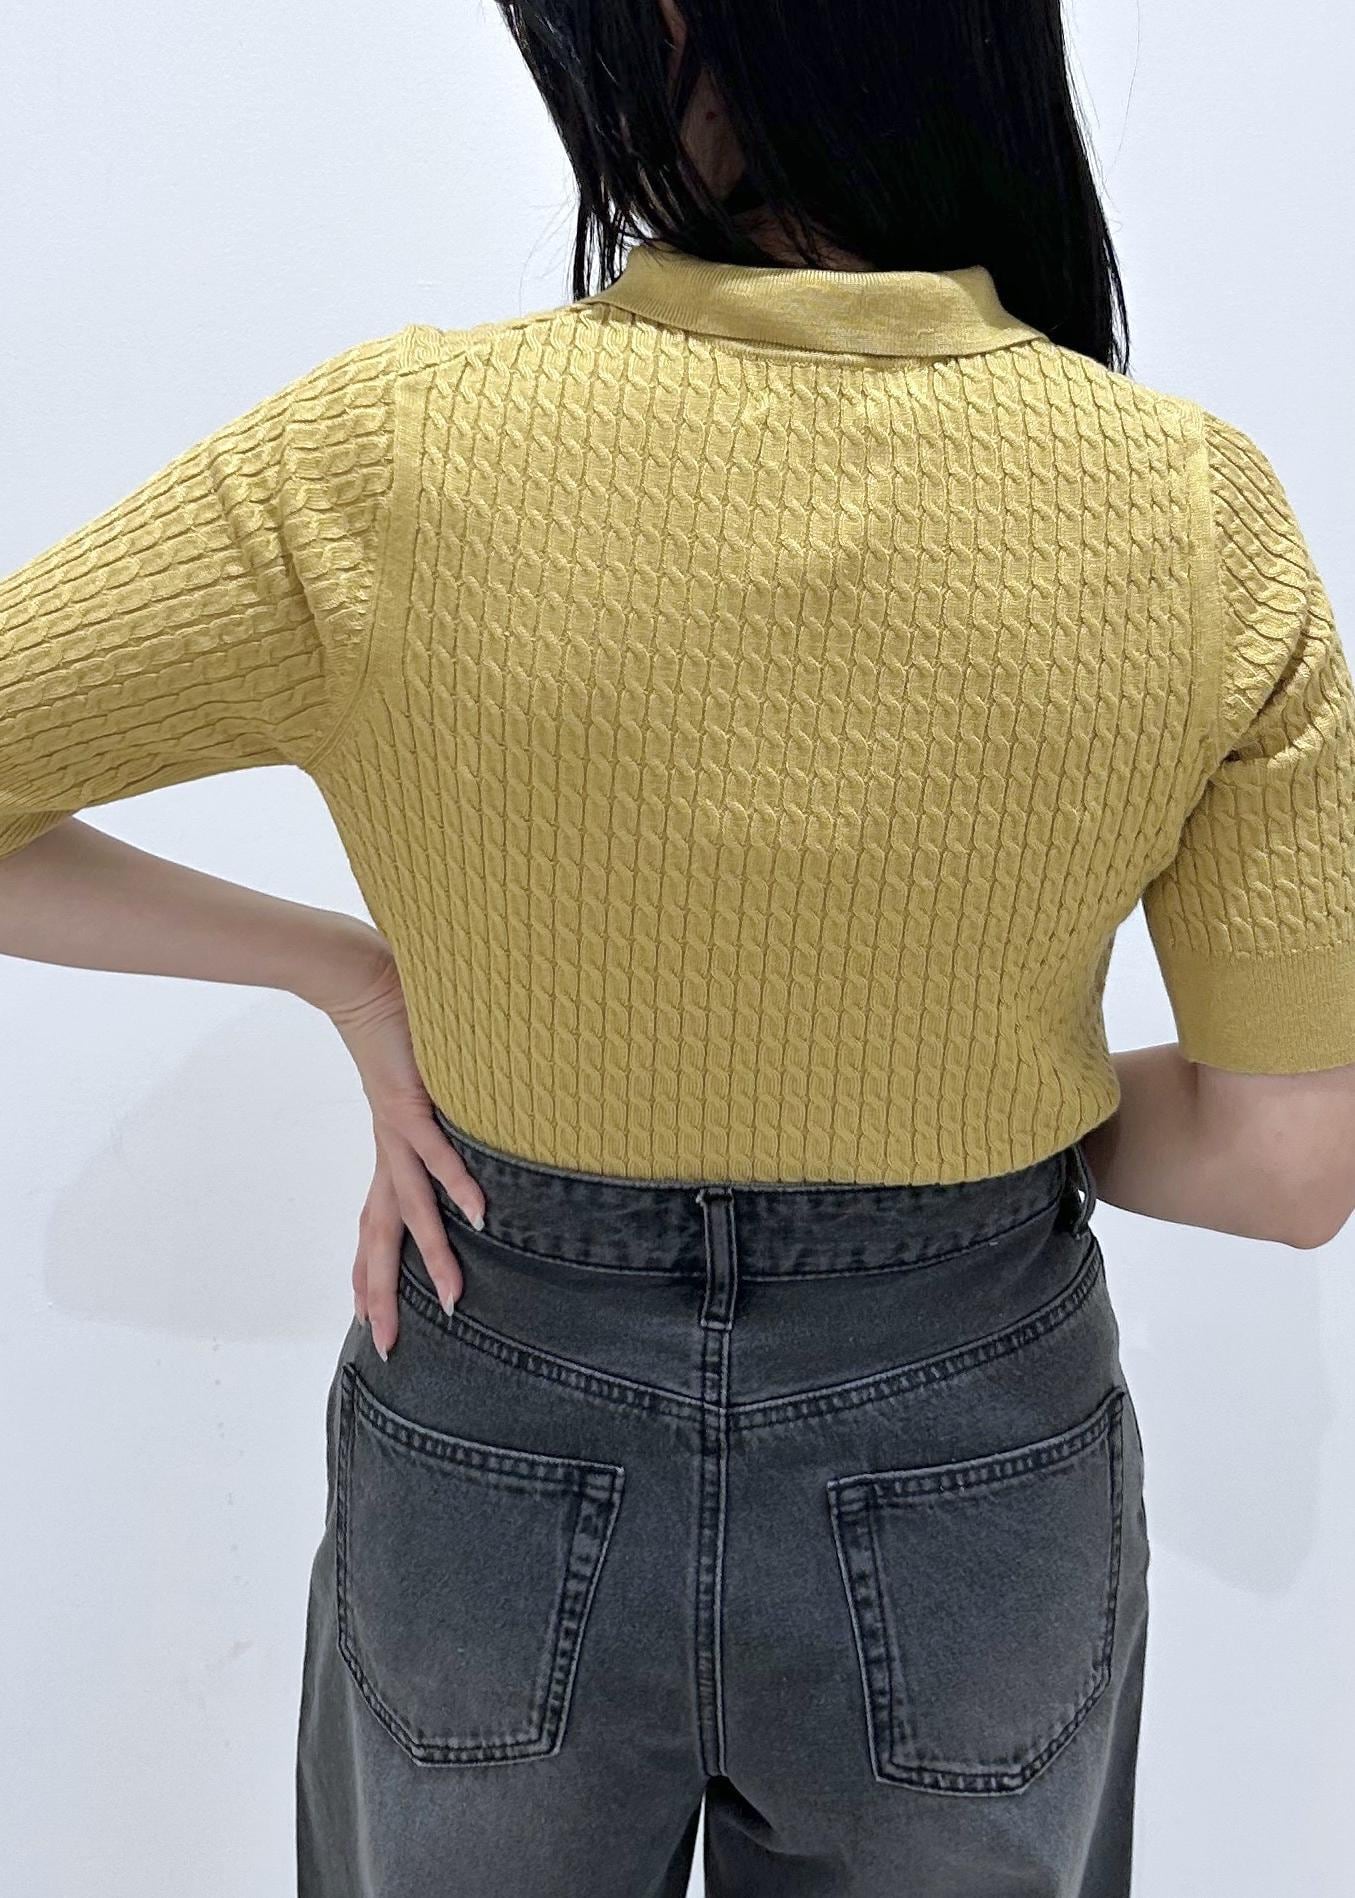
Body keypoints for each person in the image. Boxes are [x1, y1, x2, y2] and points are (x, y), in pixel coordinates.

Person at [2, 2, 1353, 1893]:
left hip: (495, 1398)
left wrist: (349, 970)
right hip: (971, 1439)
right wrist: (968, 1109)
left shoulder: (388, 452)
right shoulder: (1195, 514)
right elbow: (1292, 1164)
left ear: (661, 43)